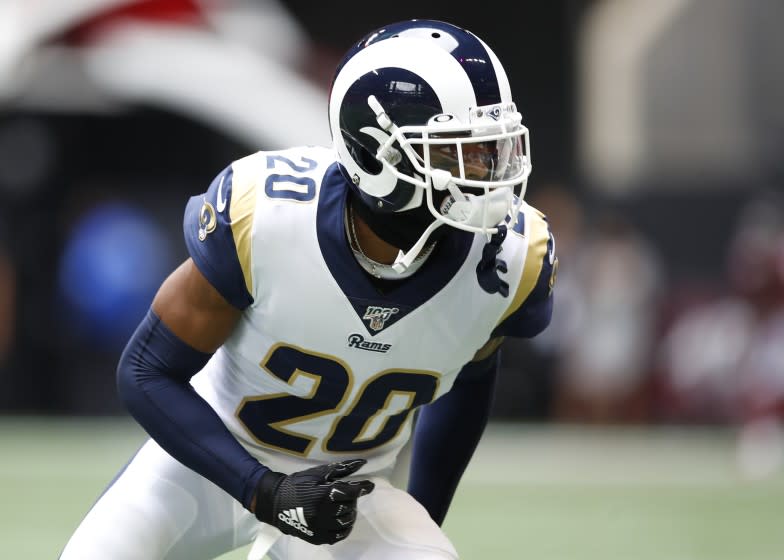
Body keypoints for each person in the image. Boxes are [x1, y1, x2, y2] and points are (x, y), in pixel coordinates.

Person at [60, 19, 556, 560]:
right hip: (212, 464)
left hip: (352, 489)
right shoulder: (266, 216)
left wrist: (418, 519)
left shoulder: (510, 260)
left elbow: (470, 383)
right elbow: (145, 370)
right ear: (377, 154)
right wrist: (263, 490)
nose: (489, 173)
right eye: (456, 153)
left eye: (492, 148)